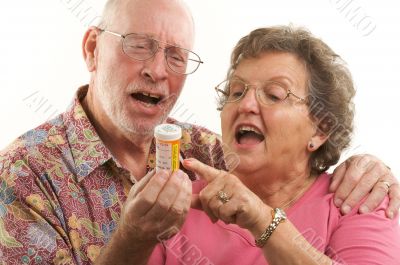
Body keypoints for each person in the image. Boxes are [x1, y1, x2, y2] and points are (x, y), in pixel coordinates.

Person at [0, 0, 398, 264]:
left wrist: (371, 164)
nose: (157, 70)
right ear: (92, 49)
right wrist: (134, 237)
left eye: (175, 56)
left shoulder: (203, 155)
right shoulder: (22, 176)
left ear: (322, 127)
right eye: (139, 45)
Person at [148, 25, 400, 264]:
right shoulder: (180, 202)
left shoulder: (357, 200)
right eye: (236, 92)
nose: (245, 105)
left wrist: (263, 220)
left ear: (321, 129)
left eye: (274, 95)